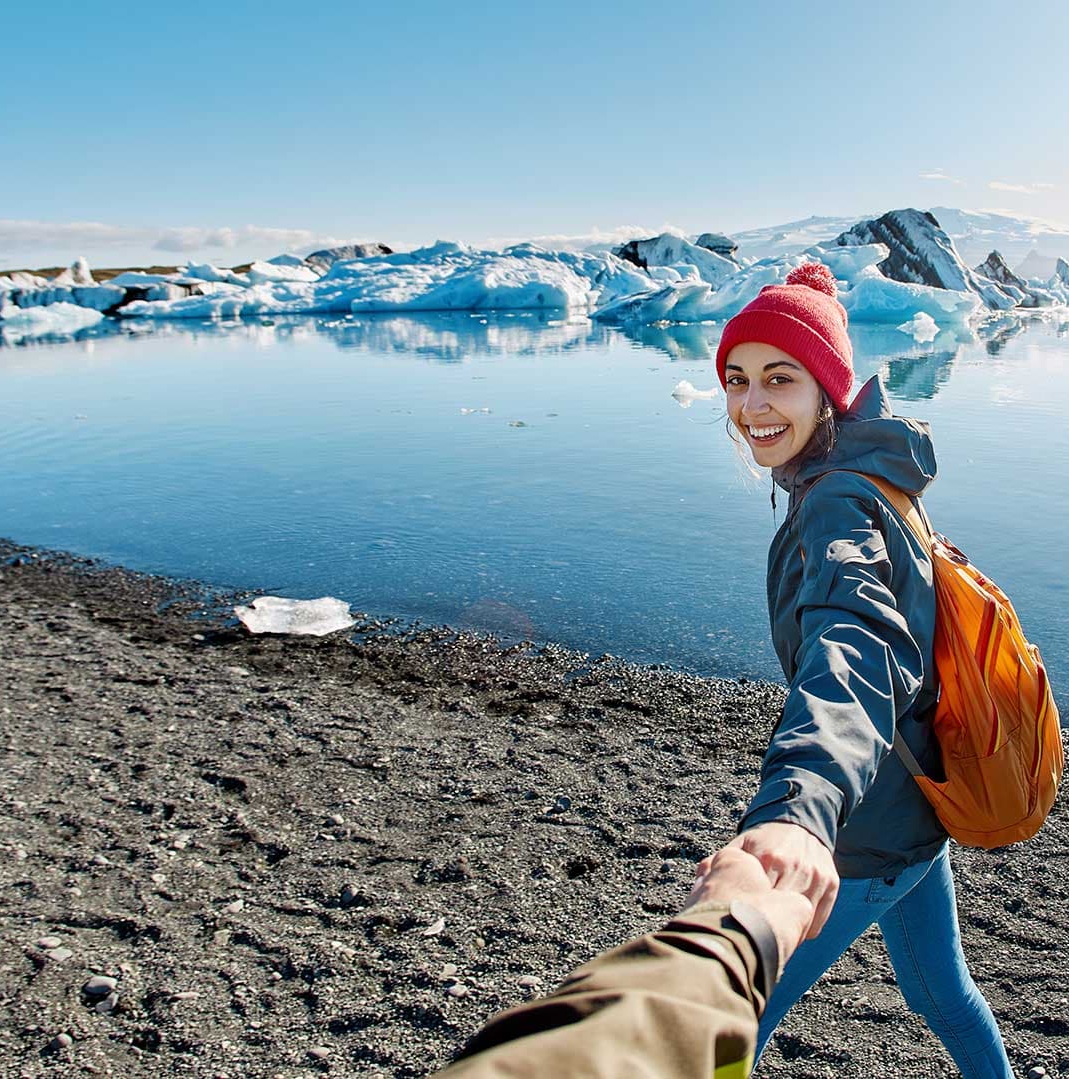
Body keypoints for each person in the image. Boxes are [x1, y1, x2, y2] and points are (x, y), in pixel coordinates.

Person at [712, 263, 1014, 1076]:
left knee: (730, 1018)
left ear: (827, 391)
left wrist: (798, 815)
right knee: (943, 994)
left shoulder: (839, 502)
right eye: (738, 380)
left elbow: (855, 649)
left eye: (780, 378)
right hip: (915, 800)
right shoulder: (874, 474)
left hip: (867, 828)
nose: (752, 406)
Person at [433, 846, 813, 1078]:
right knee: (748, 1018)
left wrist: (724, 934)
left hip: (841, 863)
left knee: (746, 1015)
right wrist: (732, 938)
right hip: (849, 865)